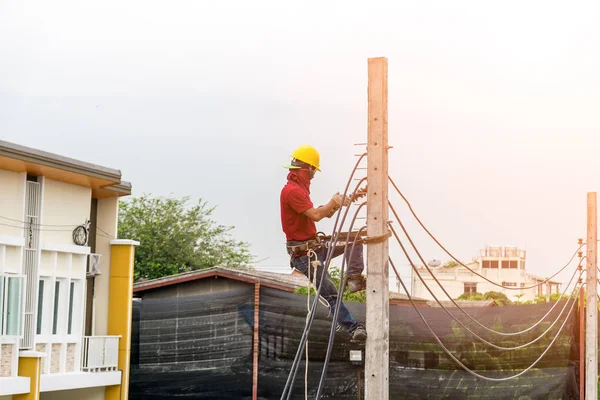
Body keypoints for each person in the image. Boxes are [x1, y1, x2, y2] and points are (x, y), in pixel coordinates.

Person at [280, 144, 367, 342]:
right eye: (312, 173)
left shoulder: (299, 189)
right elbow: (317, 215)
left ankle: (354, 277)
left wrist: (339, 203)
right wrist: (333, 202)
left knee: (354, 239)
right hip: (305, 256)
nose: (313, 177)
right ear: (307, 169)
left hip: (315, 246)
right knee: (331, 294)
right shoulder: (292, 191)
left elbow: (320, 212)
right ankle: (354, 328)